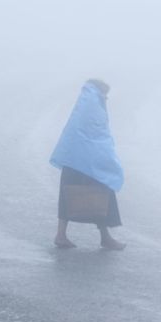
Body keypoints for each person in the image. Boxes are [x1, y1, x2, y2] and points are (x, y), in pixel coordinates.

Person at [50, 79, 125, 250]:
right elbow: (98, 134)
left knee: (67, 194)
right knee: (103, 193)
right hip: (89, 161)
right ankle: (105, 237)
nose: (106, 98)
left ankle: (61, 234)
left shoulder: (84, 104)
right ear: (99, 92)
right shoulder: (93, 106)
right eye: (105, 95)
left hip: (73, 158)